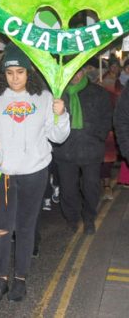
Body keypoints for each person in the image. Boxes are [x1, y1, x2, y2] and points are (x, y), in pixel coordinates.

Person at [0, 43, 69, 303]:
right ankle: (1, 277)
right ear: (3, 74)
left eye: (20, 72)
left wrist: (61, 116)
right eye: (9, 72)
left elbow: (58, 136)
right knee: (1, 229)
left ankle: (20, 279)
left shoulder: (45, 99)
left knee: (25, 228)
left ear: (30, 73)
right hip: (1, 176)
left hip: (34, 173)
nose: (14, 78)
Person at [53, 68, 112, 234]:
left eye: (78, 71)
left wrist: (97, 135)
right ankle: (72, 218)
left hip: (91, 149)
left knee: (91, 187)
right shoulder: (58, 94)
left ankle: (89, 218)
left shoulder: (98, 92)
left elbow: (107, 116)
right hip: (65, 151)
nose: (75, 76)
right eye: (71, 72)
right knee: (68, 189)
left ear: (84, 71)